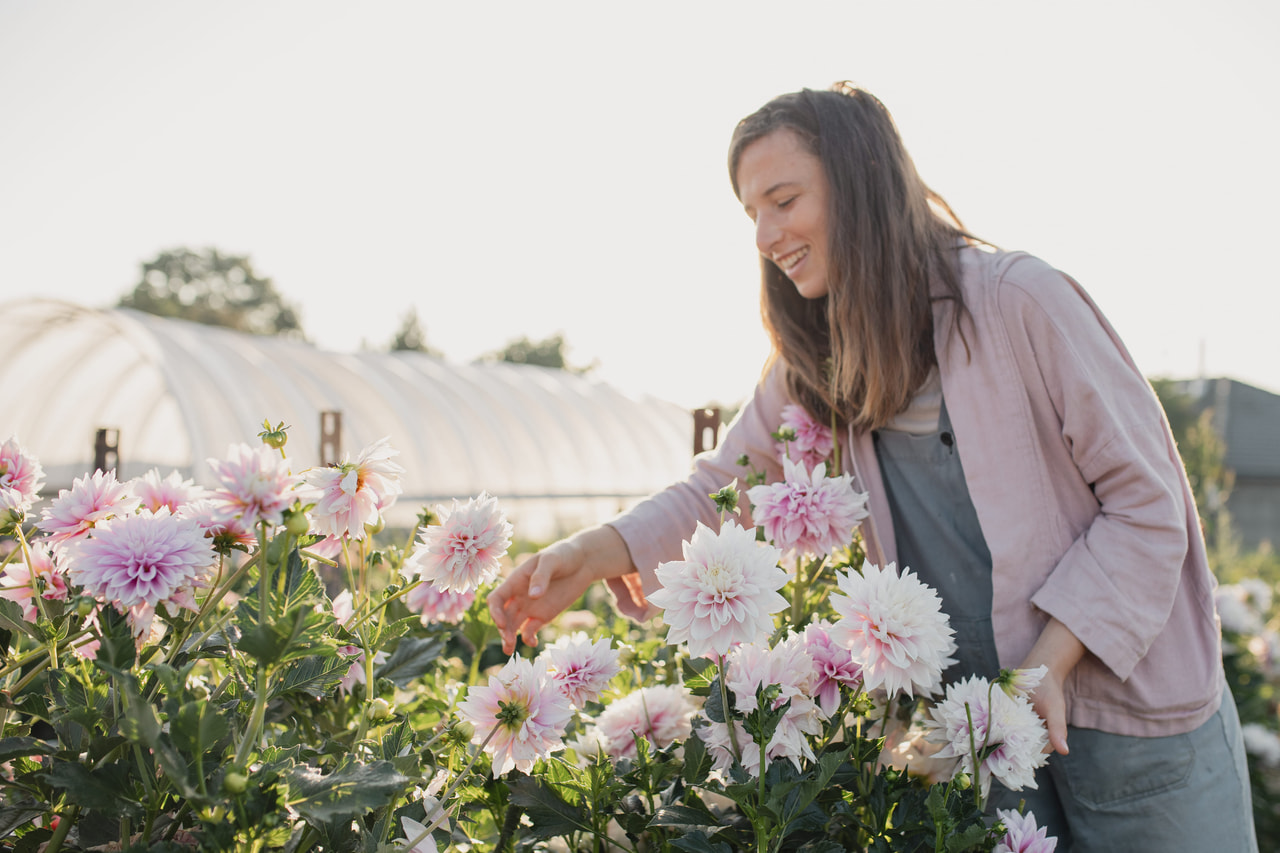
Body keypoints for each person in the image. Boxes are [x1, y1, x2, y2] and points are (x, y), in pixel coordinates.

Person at [488, 82, 1255, 851]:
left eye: (783, 200)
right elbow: (724, 488)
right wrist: (597, 549)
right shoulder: (814, 364)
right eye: (751, 212)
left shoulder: (1023, 302)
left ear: (859, 184)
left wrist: (1050, 664)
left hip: (1133, 725)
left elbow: (1147, 507)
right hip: (981, 733)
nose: (764, 234)